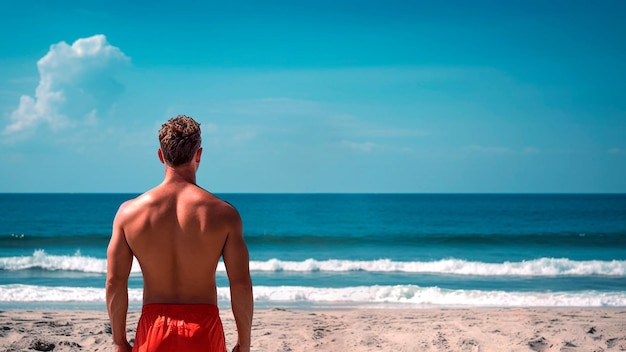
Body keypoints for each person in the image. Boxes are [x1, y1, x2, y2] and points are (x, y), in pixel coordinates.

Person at [106, 115, 253, 352]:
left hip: (153, 330)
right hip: (204, 331)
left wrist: (119, 341)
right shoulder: (224, 214)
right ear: (199, 155)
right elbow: (241, 284)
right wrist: (243, 343)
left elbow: (115, 282)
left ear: (161, 156)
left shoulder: (128, 213)